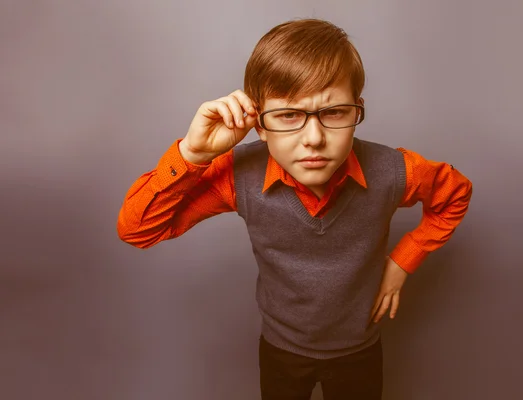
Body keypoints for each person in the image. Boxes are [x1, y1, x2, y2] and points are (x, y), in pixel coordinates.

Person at [117, 18, 473, 400]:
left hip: (359, 350)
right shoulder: (239, 177)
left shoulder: (393, 171)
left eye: (334, 112)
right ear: (260, 124)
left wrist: (403, 261)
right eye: (289, 115)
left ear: (358, 111)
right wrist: (193, 153)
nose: (314, 138)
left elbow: (454, 194)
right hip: (281, 350)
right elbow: (139, 230)